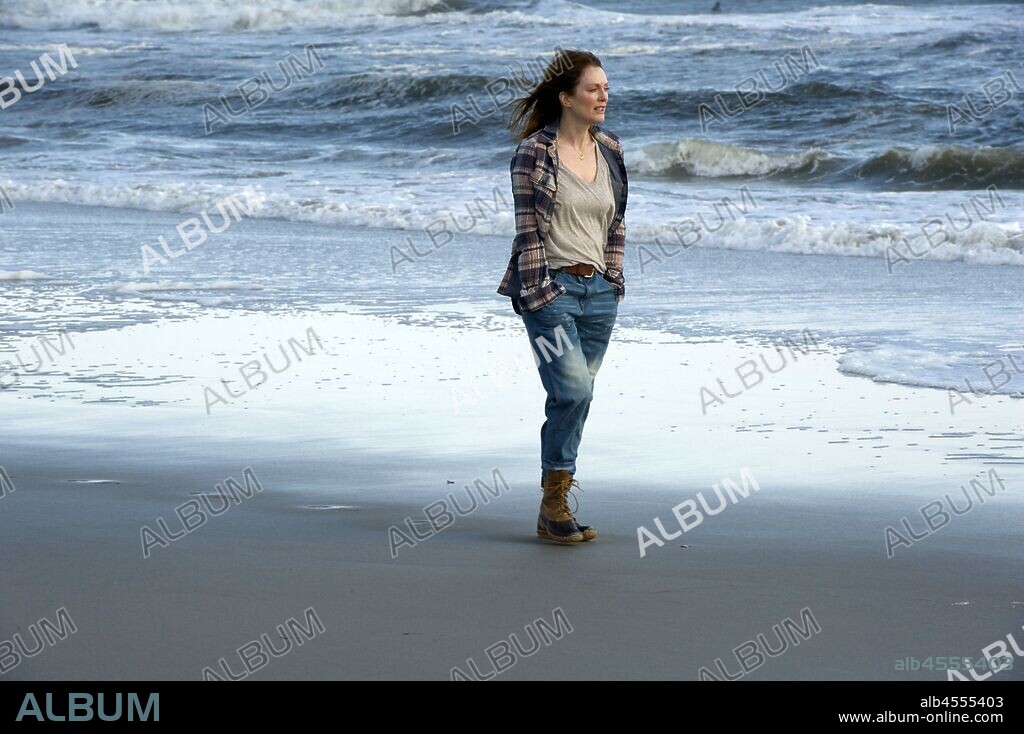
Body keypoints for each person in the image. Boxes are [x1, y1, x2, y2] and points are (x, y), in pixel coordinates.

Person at [498, 49, 628, 544]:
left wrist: (613, 280)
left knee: (577, 396)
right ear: (566, 98)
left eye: (606, 88)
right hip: (549, 286)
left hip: (598, 293)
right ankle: (554, 502)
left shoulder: (611, 148)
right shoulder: (534, 153)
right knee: (573, 390)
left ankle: (553, 507)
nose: (603, 96)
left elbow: (616, 223)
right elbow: (527, 232)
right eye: (593, 88)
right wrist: (539, 293)